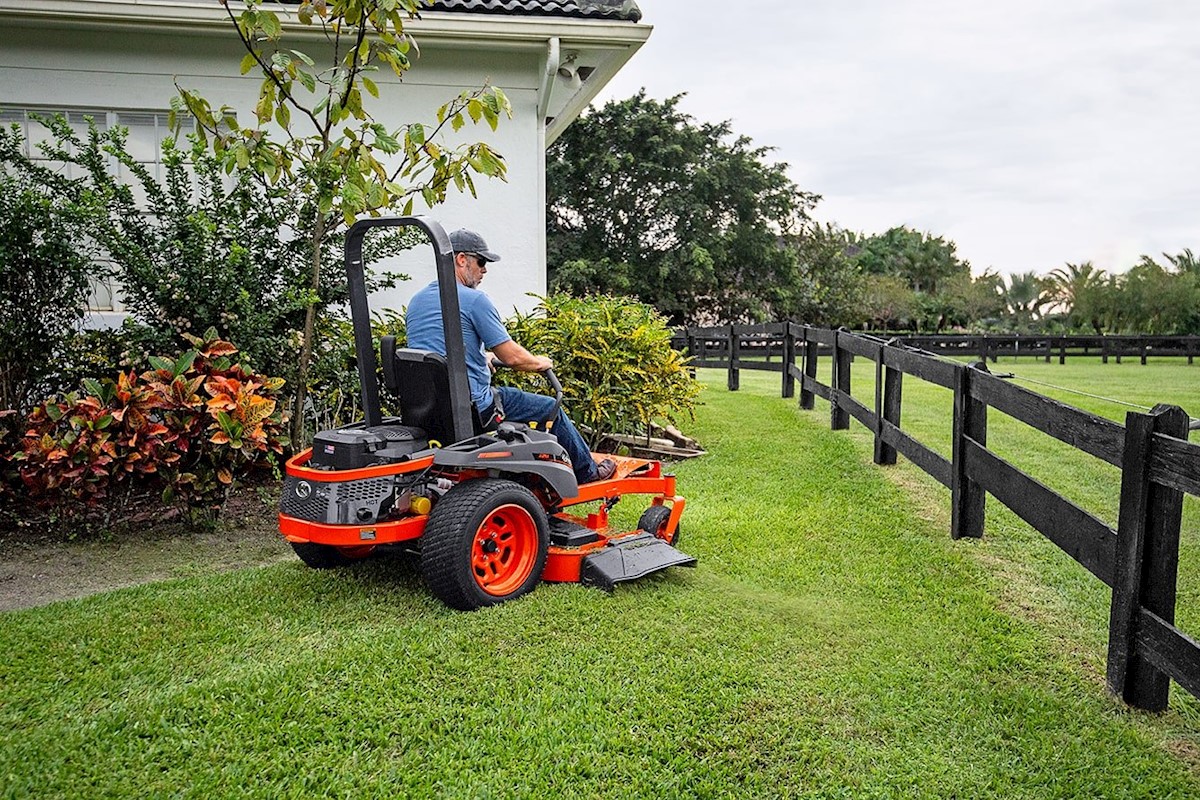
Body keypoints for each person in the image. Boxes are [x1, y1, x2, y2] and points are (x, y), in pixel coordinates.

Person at [405, 228, 616, 485]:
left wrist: (480, 356)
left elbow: (438, 350)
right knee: (550, 407)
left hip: (433, 409)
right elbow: (513, 357)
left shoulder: (417, 301)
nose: (485, 270)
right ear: (461, 260)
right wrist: (541, 361)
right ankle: (588, 473)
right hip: (473, 408)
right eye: (481, 262)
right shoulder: (474, 300)